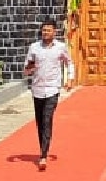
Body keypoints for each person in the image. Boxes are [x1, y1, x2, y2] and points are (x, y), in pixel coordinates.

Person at [24, 20, 73, 171]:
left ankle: (43, 156)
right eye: (44, 30)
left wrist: (69, 79)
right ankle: (42, 149)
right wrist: (29, 68)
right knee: (40, 122)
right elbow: (26, 69)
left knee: (47, 118)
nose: (45, 33)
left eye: (48, 30)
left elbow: (69, 62)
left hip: (53, 89)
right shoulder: (34, 48)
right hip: (37, 89)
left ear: (54, 32)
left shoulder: (60, 47)